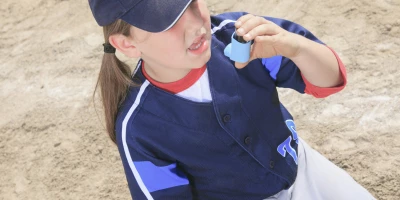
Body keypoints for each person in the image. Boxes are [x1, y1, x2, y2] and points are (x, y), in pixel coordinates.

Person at [88, 0, 376, 199]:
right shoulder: (139, 127)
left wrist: (296, 48)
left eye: (190, 2)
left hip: (302, 168)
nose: (194, 23)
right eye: (167, 20)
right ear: (127, 44)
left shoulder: (235, 35)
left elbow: (330, 79)